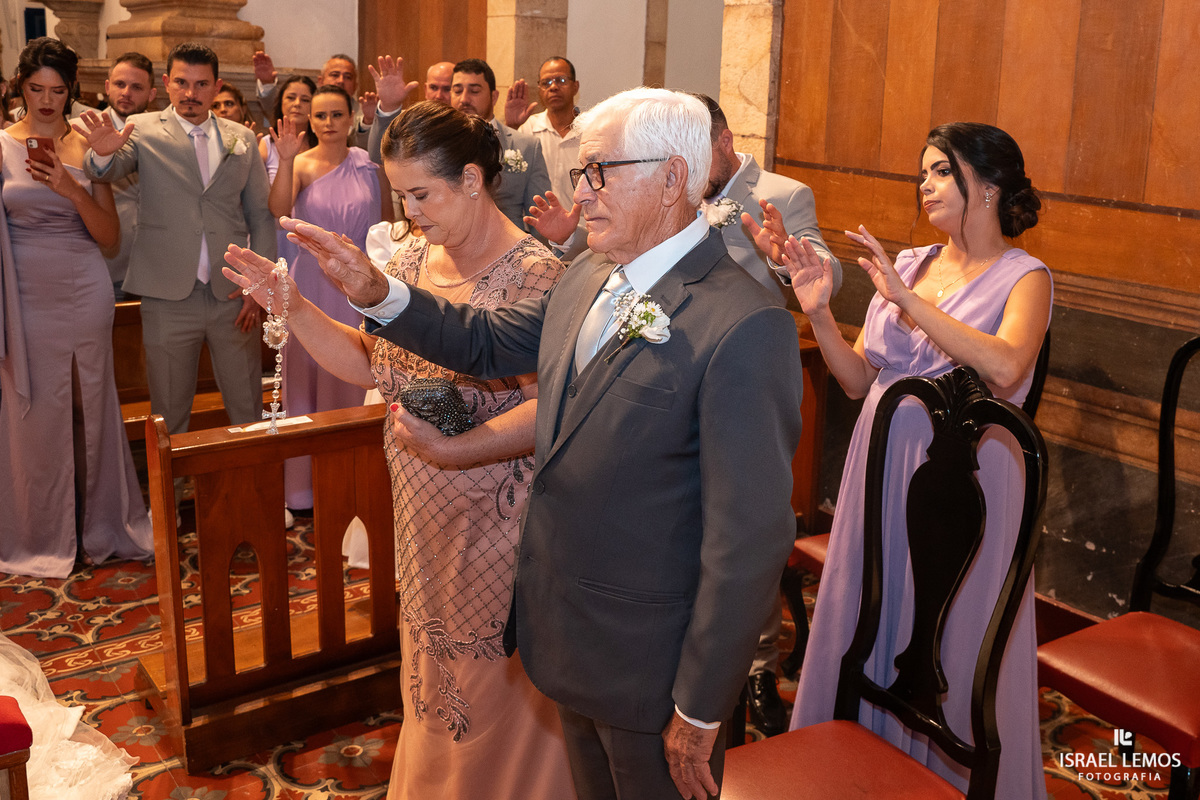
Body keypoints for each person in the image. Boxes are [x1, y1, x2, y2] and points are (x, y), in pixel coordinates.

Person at [234, 87, 804, 800]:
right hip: (565, 635)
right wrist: (374, 290)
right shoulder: (592, 275)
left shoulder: (744, 323)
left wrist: (699, 704)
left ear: (672, 180)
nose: (581, 193)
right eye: (581, 173)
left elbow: (746, 538)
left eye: (600, 172)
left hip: (650, 661)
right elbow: (479, 341)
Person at [225, 100, 576, 800]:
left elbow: (558, 405)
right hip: (422, 510)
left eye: (422, 194)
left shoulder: (539, 275)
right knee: (431, 678)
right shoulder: (412, 258)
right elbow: (367, 360)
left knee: (493, 692)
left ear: (474, 180)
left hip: (501, 521)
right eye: (399, 194)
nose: (408, 211)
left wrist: (464, 446)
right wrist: (292, 303)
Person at [786, 122, 1051, 799]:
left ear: (987, 188)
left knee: (950, 637)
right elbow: (854, 379)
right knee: (871, 613)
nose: (924, 184)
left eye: (940, 172)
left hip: (967, 490)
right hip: (880, 471)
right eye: (923, 172)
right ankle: (859, 771)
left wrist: (908, 304)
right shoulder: (911, 263)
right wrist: (818, 313)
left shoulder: (1027, 279)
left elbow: (1005, 364)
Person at [0, 37, 153, 578]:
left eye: (58, 91)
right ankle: (40, 530)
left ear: (72, 92)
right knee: (36, 409)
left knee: (91, 402)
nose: (47, 101)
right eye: (36, 89)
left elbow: (109, 236)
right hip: (22, 292)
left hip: (85, 285)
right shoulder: (0, 146)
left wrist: (72, 186)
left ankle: (101, 525)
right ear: (21, 88)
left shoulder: (89, 145)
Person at [76, 42, 276, 446]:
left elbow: (260, 215)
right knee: (169, 414)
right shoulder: (142, 128)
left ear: (216, 87)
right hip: (166, 296)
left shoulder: (240, 137)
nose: (190, 93)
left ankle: (256, 500)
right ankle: (171, 497)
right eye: (181, 82)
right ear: (166, 83)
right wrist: (100, 154)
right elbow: (109, 166)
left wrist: (259, 284)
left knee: (247, 406)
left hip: (233, 295)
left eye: (201, 84)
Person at [268, 84, 391, 510]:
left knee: (355, 372)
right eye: (320, 115)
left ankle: (354, 483)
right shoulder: (300, 162)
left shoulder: (370, 166)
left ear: (352, 116)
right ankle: (303, 490)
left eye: (337, 115)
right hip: (312, 284)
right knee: (308, 376)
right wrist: (284, 160)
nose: (328, 123)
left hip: (359, 284)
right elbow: (278, 210)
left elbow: (388, 227)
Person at [369, 58, 551, 232]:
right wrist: (389, 106)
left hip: (506, 249)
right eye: (456, 90)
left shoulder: (526, 146)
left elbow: (540, 218)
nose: (464, 99)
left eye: (474, 91)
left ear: (494, 97)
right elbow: (383, 158)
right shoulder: (433, 141)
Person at [84, 52, 158, 299]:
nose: (126, 92)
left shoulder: (166, 134)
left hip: (159, 267)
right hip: (105, 264)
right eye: (119, 84)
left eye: (136, 87)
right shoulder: (80, 129)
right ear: (107, 87)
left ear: (152, 94)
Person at [252, 51, 371, 147]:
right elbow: (278, 110)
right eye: (334, 75)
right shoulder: (310, 102)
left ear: (355, 86)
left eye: (347, 77)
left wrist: (368, 121)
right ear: (321, 81)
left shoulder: (365, 113)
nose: (340, 81)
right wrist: (267, 84)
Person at [505, 56, 581, 203]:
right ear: (539, 89)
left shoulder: (590, 130)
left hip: (580, 224)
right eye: (546, 83)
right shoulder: (528, 128)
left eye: (561, 80)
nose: (553, 87)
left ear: (575, 87)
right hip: (535, 223)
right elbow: (508, 178)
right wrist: (511, 128)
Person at [259, 75, 316, 182]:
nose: (297, 104)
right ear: (281, 102)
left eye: (305, 100)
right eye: (291, 98)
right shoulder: (266, 144)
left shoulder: (323, 143)